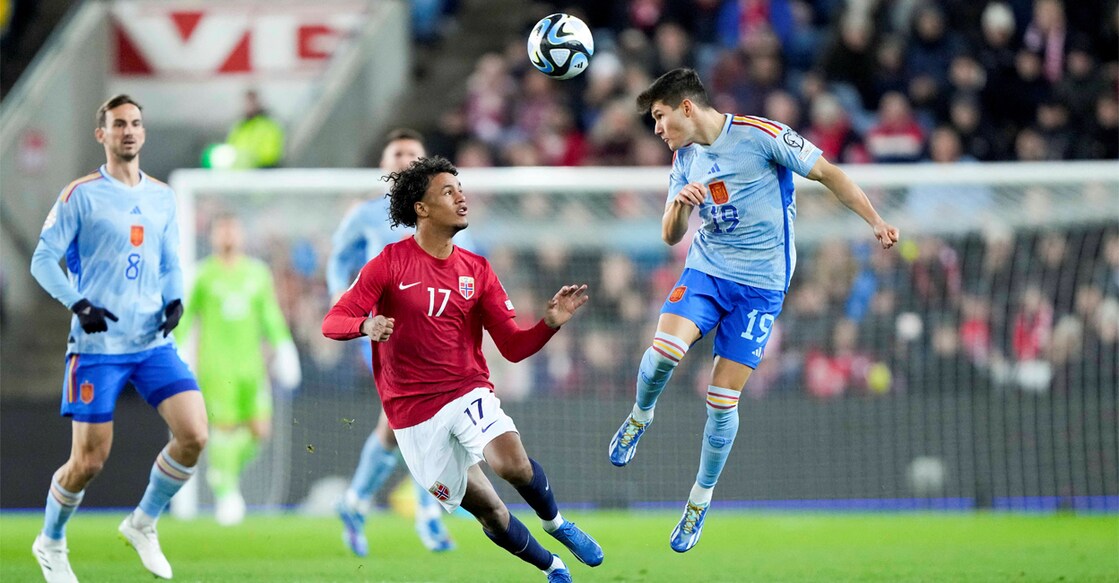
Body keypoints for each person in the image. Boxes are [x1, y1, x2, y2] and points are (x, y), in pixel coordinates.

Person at [608, 68, 899, 552]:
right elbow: (669, 234)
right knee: (662, 352)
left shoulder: (760, 136)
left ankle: (699, 502)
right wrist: (680, 206)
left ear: (686, 107)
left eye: (659, 117)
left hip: (761, 286)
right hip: (707, 271)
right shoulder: (684, 158)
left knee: (721, 402)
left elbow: (828, 173)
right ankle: (640, 416)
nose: (656, 129)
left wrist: (875, 221)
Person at [322, 156, 603, 582]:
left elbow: (511, 347)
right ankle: (552, 566)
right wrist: (365, 324)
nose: (461, 197)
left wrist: (547, 324)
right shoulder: (388, 264)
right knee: (490, 512)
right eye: (448, 191)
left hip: (466, 391)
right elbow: (332, 322)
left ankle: (557, 524)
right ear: (422, 208)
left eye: (461, 188)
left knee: (512, 463)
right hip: (411, 415)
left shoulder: (478, 270)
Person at [29, 94, 208, 582]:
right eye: (118, 124)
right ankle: (51, 541)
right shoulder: (79, 194)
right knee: (88, 462)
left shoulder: (162, 195)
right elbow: (42, 260)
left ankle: (143, 522)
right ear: (101, 135)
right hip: (98, 347)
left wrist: (175, 300)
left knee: (194, 434)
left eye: (135, 123)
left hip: (151, 342)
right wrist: (78, 303)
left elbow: (170, 260)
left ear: (144, 133)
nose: (128, 131)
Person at [328, 129, 474, 555]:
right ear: (384, 164)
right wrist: (346, 303)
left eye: (414, 153)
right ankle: (428, 514)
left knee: (404, 426)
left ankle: (356, 503)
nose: (405, 159)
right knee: (422, 419)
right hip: (386, 331)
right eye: (397, 153)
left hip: (438, 332)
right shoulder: (366, 216)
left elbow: (464, 268)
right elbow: (339, 260)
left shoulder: (446, 214)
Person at [175, 214, 302, 525]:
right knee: (224, 430)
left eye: (233, 229)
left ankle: (222, 472)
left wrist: (285, 347)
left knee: (260, 431)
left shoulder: (257, 274)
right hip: (217, 368)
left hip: (252, 367)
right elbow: (186, 316)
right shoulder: (203, 275)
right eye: (222, 231)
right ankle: (228, 494)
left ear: (242, 234)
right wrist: (178, 352)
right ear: (214, 236)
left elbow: (270, 315)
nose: (228, 236)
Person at [225, 90, 284, 169]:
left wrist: (251, 159)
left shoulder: (268, 126)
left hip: (262, 172)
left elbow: (272, 154)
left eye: (251, 102)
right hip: (240, 172)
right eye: (246, 102)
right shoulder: (239, 126)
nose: (248, 106)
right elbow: (230, 149)